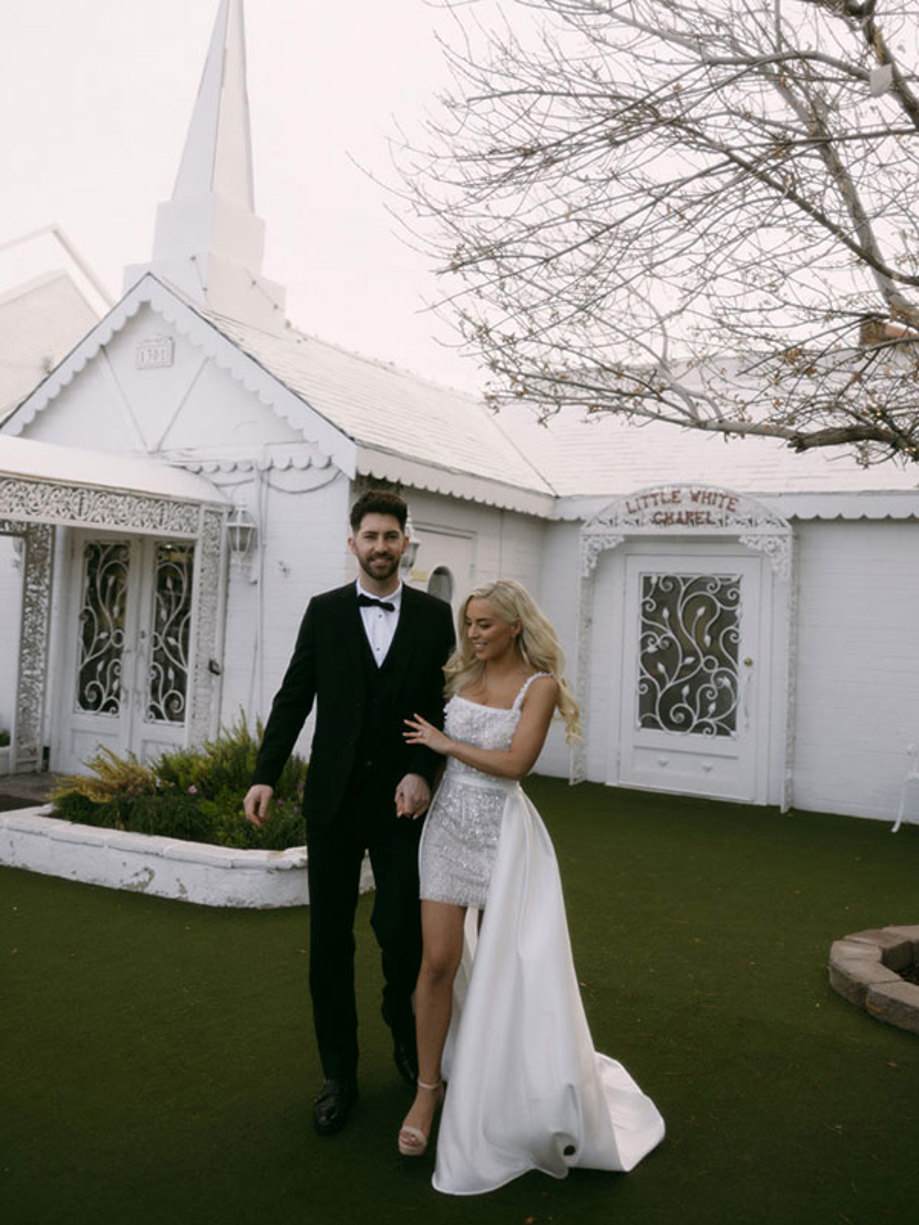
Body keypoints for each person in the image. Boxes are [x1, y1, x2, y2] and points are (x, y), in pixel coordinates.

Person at [397, 579, 665, 1195]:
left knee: (499, 971)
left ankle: (500, 1094)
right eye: (469, 623)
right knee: (437, 962)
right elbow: (436, 755)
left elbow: (517, 764)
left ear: (516, 625)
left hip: (504, 837)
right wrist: (421, 776)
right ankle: (427, 1094)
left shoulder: (538, 687)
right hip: (447, 829)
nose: (473, 634)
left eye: (485, 624)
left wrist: (444, 743)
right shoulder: (461, 678)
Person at [244, 489, 454, 1136]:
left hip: (403, 803)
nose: (381, 547)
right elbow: (293, 695)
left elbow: (447, 707)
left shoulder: (434, 616)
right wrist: (264, 774)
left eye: (391, 536)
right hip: (331, 803)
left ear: (405, 543)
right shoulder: (324, 612)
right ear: (352, 541)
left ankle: (402, 1032)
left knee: (400, 932)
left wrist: (423, 771)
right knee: (328, 944)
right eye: (370, 536)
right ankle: (338, 1073)